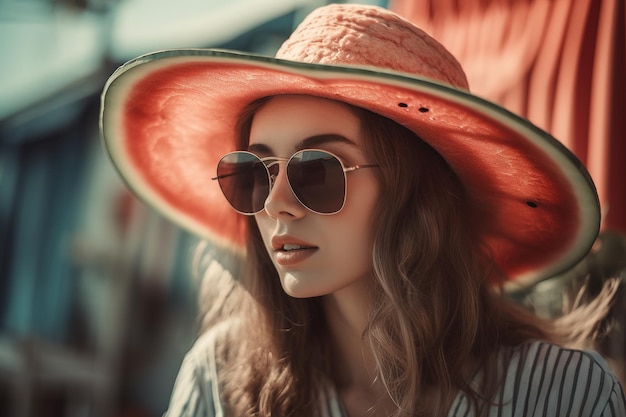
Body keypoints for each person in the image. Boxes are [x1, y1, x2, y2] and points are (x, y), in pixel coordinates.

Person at [99, 3, 626, 417]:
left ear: (416, 194)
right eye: (253, 175)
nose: (277, 201)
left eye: (317, 171)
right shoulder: (224, 378)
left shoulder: (561, 393)